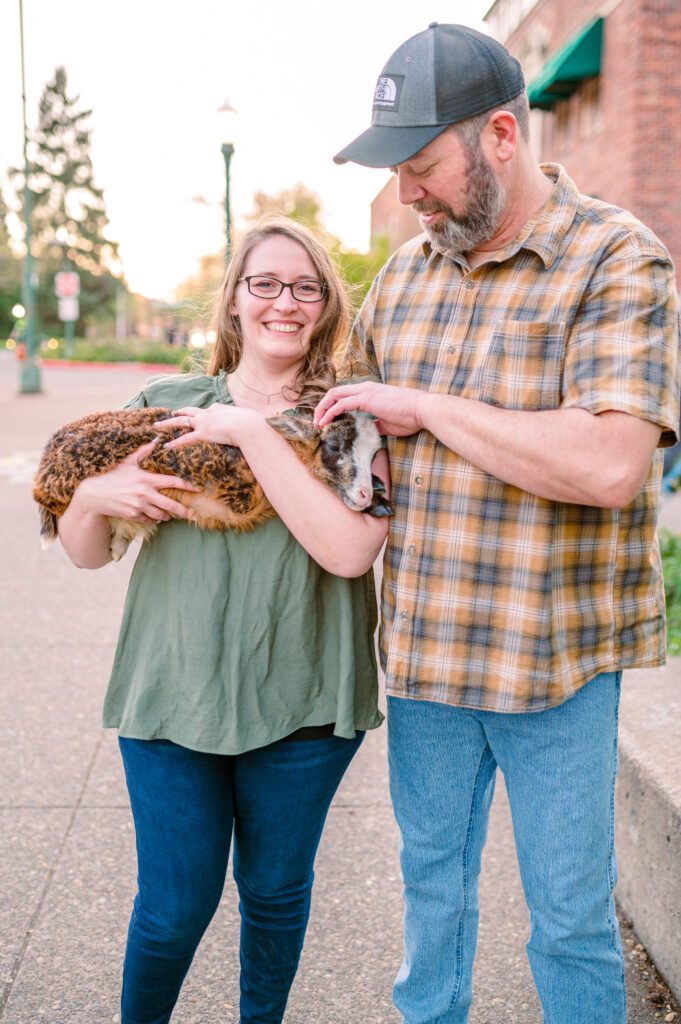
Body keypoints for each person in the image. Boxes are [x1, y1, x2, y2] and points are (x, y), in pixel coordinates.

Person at [314, 22, 680, 1024]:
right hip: (426, 660)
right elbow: (347, 441)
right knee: (432, 901)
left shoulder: (616, 258)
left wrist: (425, 407)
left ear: (504, 136)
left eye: (424, 166)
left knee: (567, 920)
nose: (409, 197)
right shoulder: (402, 277)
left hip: (553, 667)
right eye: (400, 173)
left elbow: (610, 463)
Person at [57, 217, 390, 1024]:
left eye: (306, 286)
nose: (286, 301)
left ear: (326, 307)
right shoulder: (165, 407)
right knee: (172, 909)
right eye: (266, 283)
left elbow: (350, 549)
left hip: (305, 700)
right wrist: (93, 497)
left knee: (274, 896)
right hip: (172, 695)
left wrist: (249, 431)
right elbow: (86, 552)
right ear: (234, 301)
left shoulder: (345, 420)